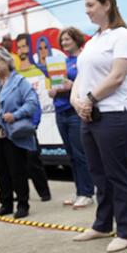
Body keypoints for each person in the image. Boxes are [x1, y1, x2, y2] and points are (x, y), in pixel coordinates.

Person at [70, 0, 127, 253]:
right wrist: (78, 101)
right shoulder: (92, 41)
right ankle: (102, 224)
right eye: (85, 6)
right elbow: (79, 77)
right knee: (98, 173)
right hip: (89, 116)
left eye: (90, 5)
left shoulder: (121, 36)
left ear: (107, 4)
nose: (86, 11)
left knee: (117, 174)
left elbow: (118, 76)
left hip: (113, 115)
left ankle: (125, 230)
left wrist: (90, 99)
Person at [0, 46, 41, 220]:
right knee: (2, 172)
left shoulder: (19, 82)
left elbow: (32, 103)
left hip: (11, 134)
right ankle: (5, 204)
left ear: (7, 61)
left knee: (17, 170)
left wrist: (15, 115)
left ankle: (22, 204)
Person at [52, 27, 95, 208]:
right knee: (71, 156)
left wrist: (71, 86)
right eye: (62, 40)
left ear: (77, 40)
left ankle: (87, 193)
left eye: (67, 39)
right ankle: (79, 190)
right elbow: (54, 86)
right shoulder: (60, 63)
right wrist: (52, 90)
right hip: (60, 112)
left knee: (80, 154)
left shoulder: (82, 61)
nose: (64, 43)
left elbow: (86, 84)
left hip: (74, 113)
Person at [14, 33, 53, 202]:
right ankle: (22, 194)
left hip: (28, 125)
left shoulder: (38, 71)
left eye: (24, 46)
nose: (22, 50)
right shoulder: (14, 75)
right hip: (14, 126)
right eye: (19, 47)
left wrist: (34, 123)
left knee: (33, 160)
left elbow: (36, 101)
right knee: (16, 163)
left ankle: (44, 193)